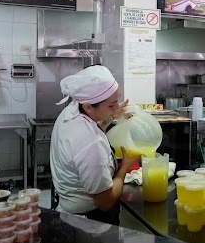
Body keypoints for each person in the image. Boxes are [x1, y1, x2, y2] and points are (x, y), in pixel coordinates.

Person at [50, 65, 139, 225]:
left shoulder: (71, 111)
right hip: (89, 223)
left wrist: (112, 114)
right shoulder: (90, 143)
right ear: (89, 107)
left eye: (117, 101)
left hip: (68, 211)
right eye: (112, 105)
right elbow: (105, 202)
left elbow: (94, 124)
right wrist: (124, 167)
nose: (117, 107)